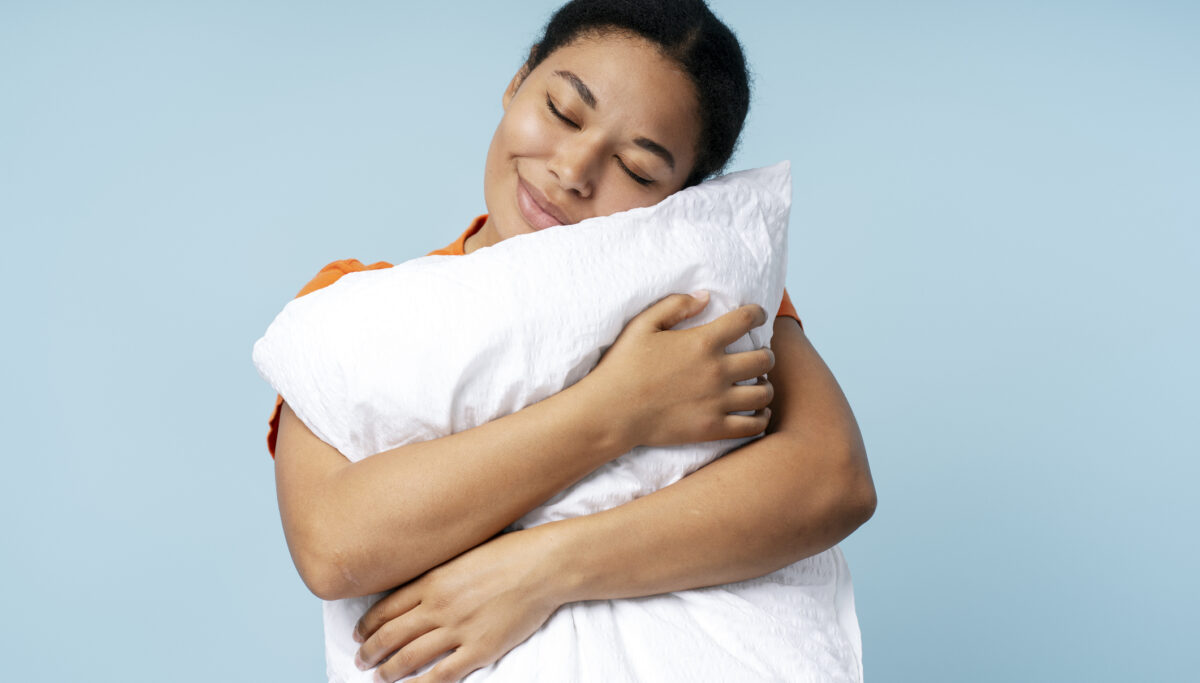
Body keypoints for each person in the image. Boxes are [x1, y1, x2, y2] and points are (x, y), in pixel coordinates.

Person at [267, 1, 877, 681]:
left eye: (639, 169)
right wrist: (618, 407)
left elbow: (833, 479)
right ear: (518, 80)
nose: (573, 170)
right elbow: (333, 545)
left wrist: (541, 569)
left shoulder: (701, 293)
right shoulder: (359, 306)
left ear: (684, 200)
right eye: (562, 110)